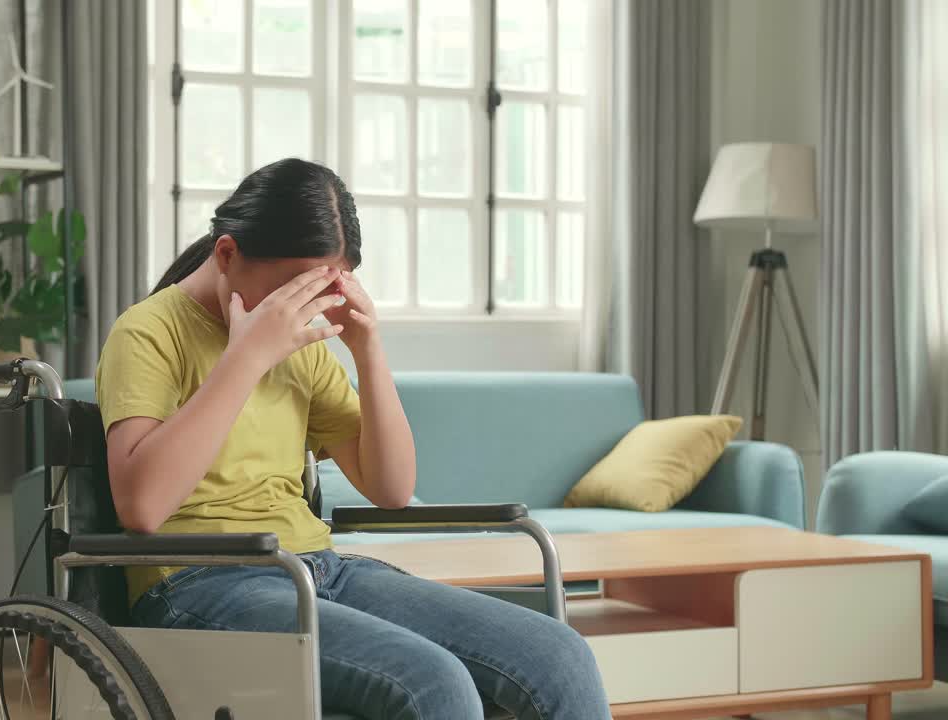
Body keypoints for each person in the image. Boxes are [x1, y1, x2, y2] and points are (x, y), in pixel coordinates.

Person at [95, 158, 611, 719]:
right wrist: (247, 357)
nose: (300, 310)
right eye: (289, 292)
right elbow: (142, 507)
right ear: (226, 254)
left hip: (317, 567)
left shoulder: (305, 348)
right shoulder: (147, 332)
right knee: (433, 685)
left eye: (321, 289)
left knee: (561, 656)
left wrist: (368, 350)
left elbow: (390, 488)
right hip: (197, 584)